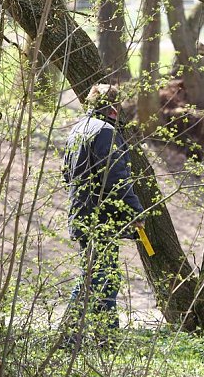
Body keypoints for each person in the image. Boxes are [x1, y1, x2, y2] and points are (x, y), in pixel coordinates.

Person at [62, 84, 145, 342]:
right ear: (113, 107)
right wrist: (135, 211)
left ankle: (106, 338)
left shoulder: (77, 130)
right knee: (97, 277)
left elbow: (67, 174)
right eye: (119, 106)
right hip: (100, 218)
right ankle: (67, 337)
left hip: (82, 214)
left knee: (106, 277)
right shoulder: (106, 133)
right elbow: (116, 179)